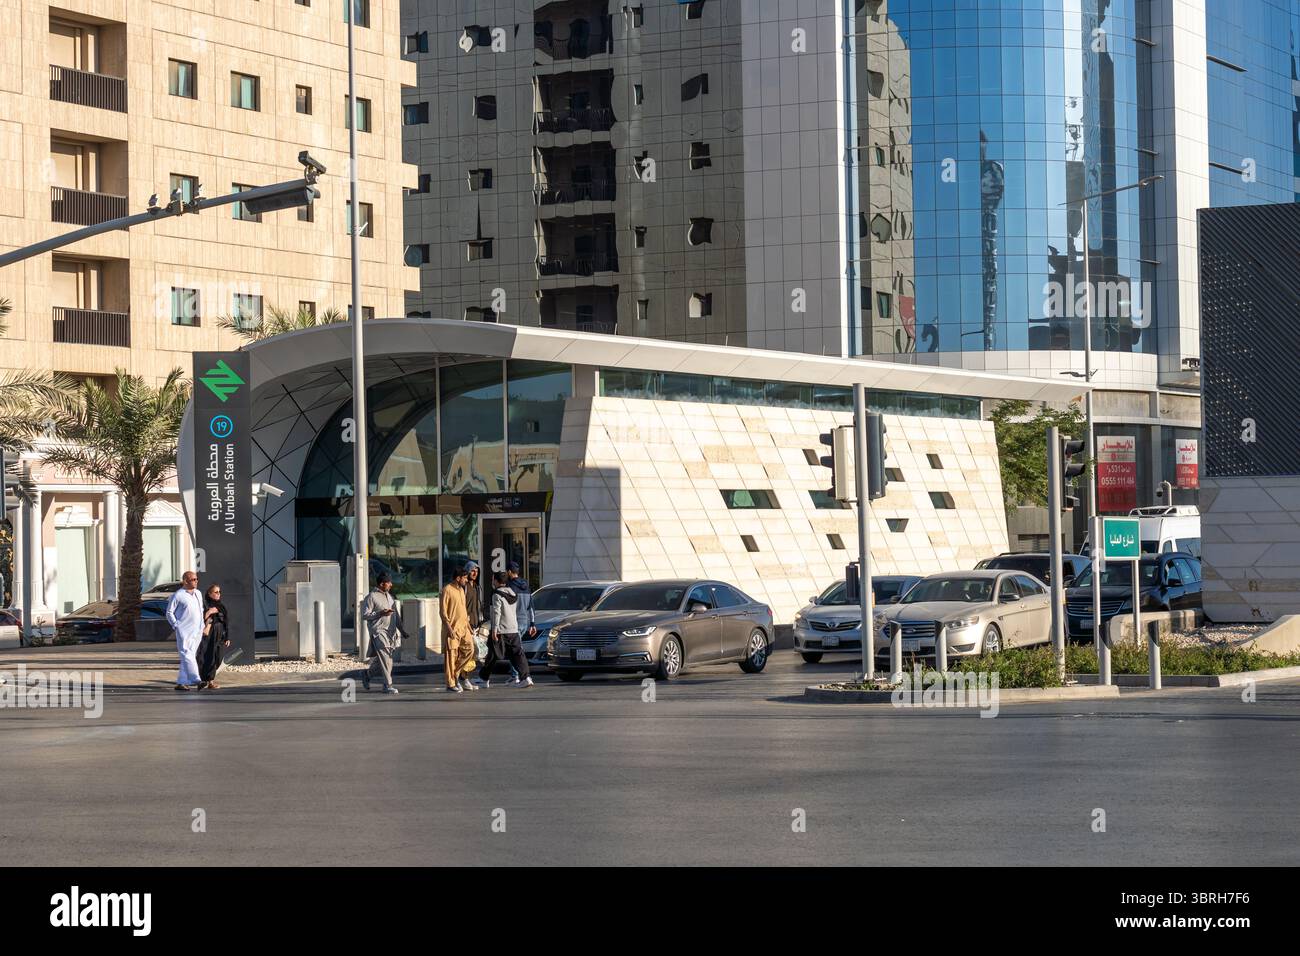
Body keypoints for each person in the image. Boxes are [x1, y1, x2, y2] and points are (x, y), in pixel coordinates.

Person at [483, 571, 533, 688]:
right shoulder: (512, 593)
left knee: (493, 653)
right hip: (513, 629)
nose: (492, 582)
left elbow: (497, 613)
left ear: (496, 581)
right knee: (518, 654)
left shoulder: (496, 594)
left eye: (493, 579)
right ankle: (526, 677)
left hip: (501, 630)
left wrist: (494, 630)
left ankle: (483, 679)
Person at [359, 572, 405, 695]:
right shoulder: (371, 597)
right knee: (386, 658)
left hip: (391, 633)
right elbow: (364, 615)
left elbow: (396, 615)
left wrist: (402, 630)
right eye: (388, 582)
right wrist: (380, 613)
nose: (391, 584)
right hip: (378, 632)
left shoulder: (390, 597)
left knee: (384, 659)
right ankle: (387, 685)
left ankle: (367, 674)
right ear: (381, 584)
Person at [165, 571, 208, 691]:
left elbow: (201, 609)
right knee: (187, 654)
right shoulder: (178, 595)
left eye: (196, 579)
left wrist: (203, 625)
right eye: (193, 579)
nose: (196, 581)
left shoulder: (198, 593)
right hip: (184, 630)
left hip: (198, 630)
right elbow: (169, 612)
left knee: (190, 655)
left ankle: (182, 682)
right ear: (185, 581)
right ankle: (196, 680)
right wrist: (176, 625)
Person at [440, 564, 477, 693]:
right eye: (464, 578)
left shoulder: (461, 590)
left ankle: (456, 673)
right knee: (451, 657)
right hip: (452, 629)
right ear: (458, 578)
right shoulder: (447, 590)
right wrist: (449, 629)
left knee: (470, 650)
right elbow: (443, 613)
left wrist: (468, 626)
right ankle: (451, 684)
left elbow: (463, 610)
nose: (466, 580)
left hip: (464, 628)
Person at [506, 562, 537, 682]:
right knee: (518, 648)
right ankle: (518, 674)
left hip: (514, 622)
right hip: (524, 622)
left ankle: (516, 676)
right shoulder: (526, 586)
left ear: (509, 572)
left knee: (515, 649)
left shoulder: (509, 586)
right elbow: (531, 607)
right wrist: (532, 624)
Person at [196, 583, 230, 690]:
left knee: (218, 658)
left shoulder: (221, 606)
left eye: (219, 592)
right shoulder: (205, 604)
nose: (218, 594)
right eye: (216, 592)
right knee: (207, 656)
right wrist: (209, 611)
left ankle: (209, 679)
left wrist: (227, 637)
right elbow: (199, 619)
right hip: (209, 634)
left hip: (219, 634)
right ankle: (209, 681)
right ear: (210, 594)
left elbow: (226, 622)